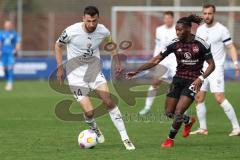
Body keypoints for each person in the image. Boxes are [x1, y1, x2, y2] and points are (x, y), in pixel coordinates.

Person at [127, 14, 215, 148]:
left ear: (188, 29)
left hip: (194, 80)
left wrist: (201, 78)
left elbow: (212, 65)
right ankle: (188, 120)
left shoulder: (201, 44)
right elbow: (156, 59)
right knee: (169, 113)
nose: (178, 32)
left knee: (178, 112)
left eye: (180, 30)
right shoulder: (174, 43)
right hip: (178, 78)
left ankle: (170, 139)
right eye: (176, 30)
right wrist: (138, 70)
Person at [55, 6, 135, 150]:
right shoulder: (71, 31)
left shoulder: (103, 30)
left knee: (109, 102)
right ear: (83, 19)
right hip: (76, 77)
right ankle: (94, 128)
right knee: (89, 112)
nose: (92, 24)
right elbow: (58, 45)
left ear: (98, 19)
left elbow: (110, 43)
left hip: (94, 72)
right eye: (89, 21)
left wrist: (116, 61)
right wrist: (60, 67)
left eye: (95, 21)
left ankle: (125, 137)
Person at [191, 4, 240, 136]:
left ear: (214, 14)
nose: (207, 16)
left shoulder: (222, 30)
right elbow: (197, 49)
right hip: (202, 69)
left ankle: (237, 128)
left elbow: (230, 47)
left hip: (216, 68)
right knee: (199, 97)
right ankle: (203, 128)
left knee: (219, 98)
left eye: (210, 13)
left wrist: (236, 63)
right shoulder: (200, 30)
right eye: (205, 13)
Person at [139, 11, 177, 115]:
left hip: (175, 60)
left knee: (179, 84)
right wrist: (155, 60)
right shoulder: (159, 30)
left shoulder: (177, 29)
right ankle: (147, 107)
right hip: (163, 59)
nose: (167, 20)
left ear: (172, 19)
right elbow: (158, 46)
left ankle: (182, 108)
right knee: (155, 82)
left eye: (169, 18)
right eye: (165, 18)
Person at [0, 20, 21, 91]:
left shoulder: (14, 34)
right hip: (3, 54)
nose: (7, 26)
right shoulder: (1, 33)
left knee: (10, 68)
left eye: (8, 24)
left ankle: (10, 83)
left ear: (10, 25)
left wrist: (16, 50)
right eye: (6, 25)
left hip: (10, 54)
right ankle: (8, 81)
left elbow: (17, 43)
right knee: (5, 69)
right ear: (4, 25)